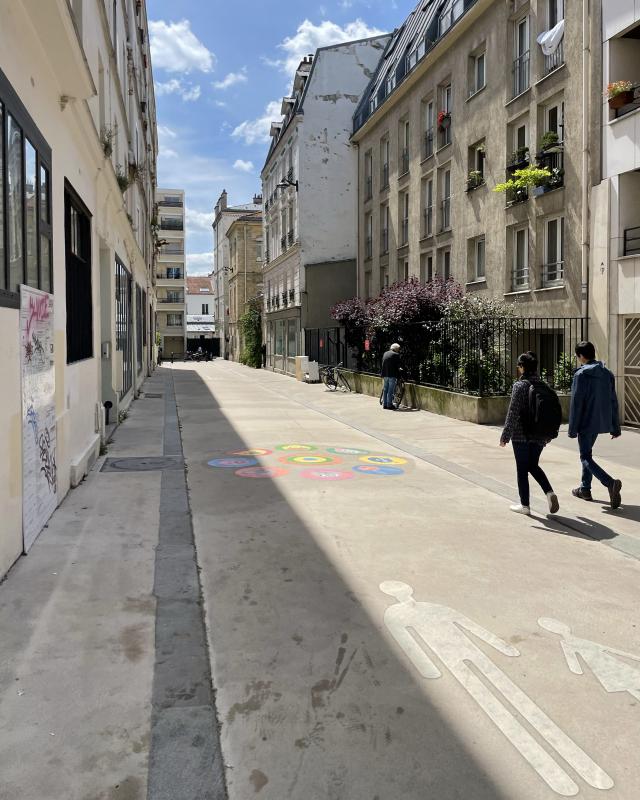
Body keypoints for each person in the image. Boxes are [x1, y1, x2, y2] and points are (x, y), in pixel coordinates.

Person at [500, 351, 559, 515]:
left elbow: (513, 412)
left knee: (522, 469)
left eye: (519, 366)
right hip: (540, 435)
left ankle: (525, 505)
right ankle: (549, 492)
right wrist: (548, 435)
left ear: (522, 368)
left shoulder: (519, 386)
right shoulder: (544, 386)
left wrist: (505, 436)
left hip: (521, 434)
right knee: (532, 465)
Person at [568, 341, 622, 508]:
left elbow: (577, 404)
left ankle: (609, 482)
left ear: (581, 356)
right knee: (587, 454)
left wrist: (572, 429)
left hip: (585, 422)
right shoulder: (607, 373)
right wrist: (615, 426)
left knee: (585, 456)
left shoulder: (581, 375)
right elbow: (613, 401)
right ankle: (585, 489)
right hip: (601, 421)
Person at [380, 343, 401, 410]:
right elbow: (398, 365)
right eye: (398, 349)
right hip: (392, 375)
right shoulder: (396, 355)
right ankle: (389, 405)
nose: (398, 351)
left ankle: (385, 404)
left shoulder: (385, 353)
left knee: (385, 389)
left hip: (385, 374)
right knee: (390, 390)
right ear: (396, 349)